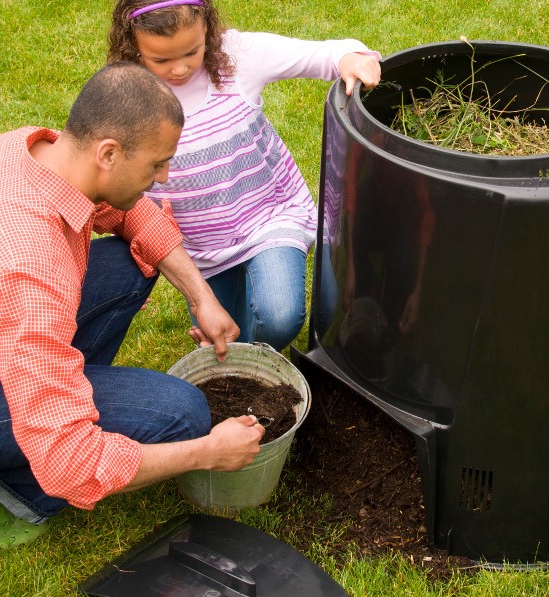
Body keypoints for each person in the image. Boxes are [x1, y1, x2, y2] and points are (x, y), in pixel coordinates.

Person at [0, 62, 265, 549]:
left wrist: (202, 297)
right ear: (108, 152)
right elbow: (70, 463)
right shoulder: (31, 270)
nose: (165, 177)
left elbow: (131, 214)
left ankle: (54, 393)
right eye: (156, 164)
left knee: (129, 265)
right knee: (181, 415)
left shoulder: (32, 151)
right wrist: (208, 452)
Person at [107, 0, 382, 350]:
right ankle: (241, 362)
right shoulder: (126, 93)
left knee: (279, 317)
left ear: (208, 28)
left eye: (191, 52)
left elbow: (326, 54)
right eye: (160, 60)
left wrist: (349, 59)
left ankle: (251, 356)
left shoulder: (236, 57)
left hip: (267, 218)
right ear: (133, 45)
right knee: (223, 334)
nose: (179, 69)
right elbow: (118, 185)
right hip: (198, 248)